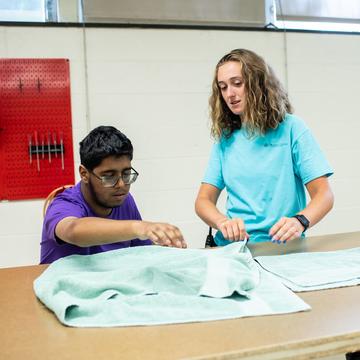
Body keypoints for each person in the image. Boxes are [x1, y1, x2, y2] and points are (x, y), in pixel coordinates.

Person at [195, 49, 334, 246]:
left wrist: (300, 221)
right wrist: (223, 222)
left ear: (258, 83)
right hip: (234, 249)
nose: (230, 94)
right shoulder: (225, 139)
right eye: (223, 87)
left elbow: (324, 194)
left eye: (237, 83)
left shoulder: (292, 128)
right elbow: (203, 201)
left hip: (283, 249)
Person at [41, 126, 186, 263]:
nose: (121, 185)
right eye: (109, 176)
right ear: (84, 174)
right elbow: (73, 230)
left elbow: (142, 253)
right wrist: (139, 227)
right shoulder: (64, 203)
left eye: (126, 174)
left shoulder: (125, 200)